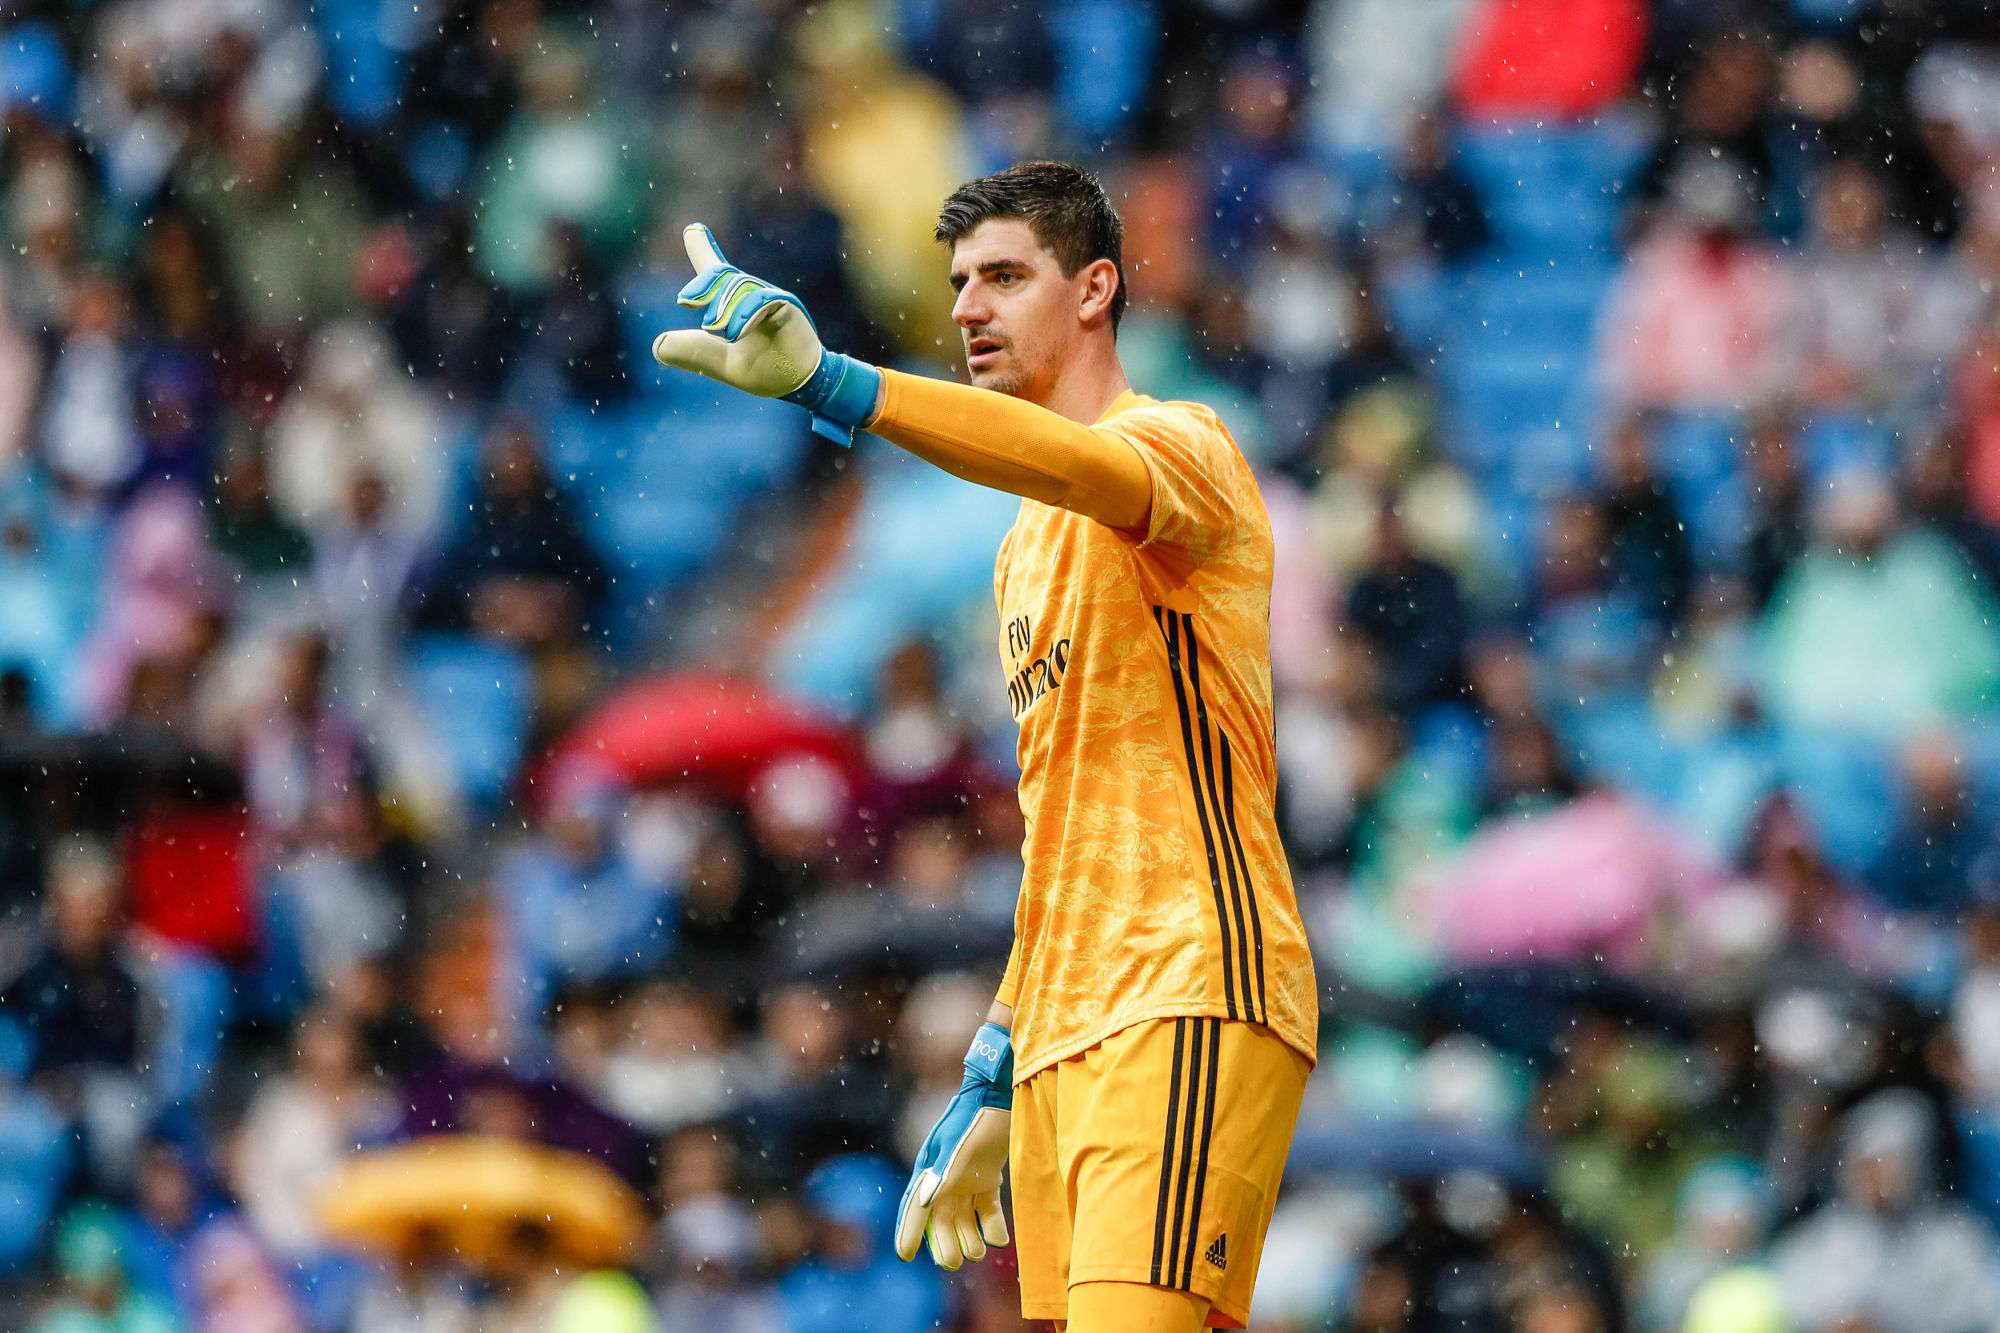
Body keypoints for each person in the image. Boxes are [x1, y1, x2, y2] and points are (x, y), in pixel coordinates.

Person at [651, 160, 1319, 1332]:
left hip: (1185, 983)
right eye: (958, 282)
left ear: (1095, 289)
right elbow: (1062, 833)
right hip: (1066, 1027)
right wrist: (998, 1061)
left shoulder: (1182, 444)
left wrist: (837, 384)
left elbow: (1076, 462)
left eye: (1005, 277)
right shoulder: (1018, 558)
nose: (967, 307)